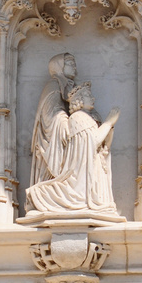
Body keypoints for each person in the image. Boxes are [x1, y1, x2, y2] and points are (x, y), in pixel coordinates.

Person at [26, 82, 120, 215]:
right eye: (88, 95)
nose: (92, 98)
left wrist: (109, 126)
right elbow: (94, 141)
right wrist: (109, 122)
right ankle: (40, 198)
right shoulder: (78, 117)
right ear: (79, 100)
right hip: (80, 176)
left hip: (93, 169)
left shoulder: (91, 117)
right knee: (47, 192)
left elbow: (103, 146)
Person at [27, 52, 78, 207]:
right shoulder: (54, 85)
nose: (75, 68)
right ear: (59, 66)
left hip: (58, 132)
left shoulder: (64, 84)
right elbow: (50, 114)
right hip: (52, 137)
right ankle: (52, 192)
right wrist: (67, 125)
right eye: (70, 63)